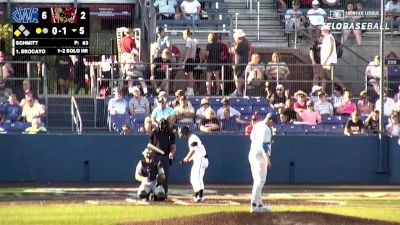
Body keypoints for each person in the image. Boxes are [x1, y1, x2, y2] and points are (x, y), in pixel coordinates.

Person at [248, 114, 274, 213]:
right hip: (260, 156)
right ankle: (254, 205)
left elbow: (251, 137)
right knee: (260, 181)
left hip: (252, 154)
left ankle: (259, 204)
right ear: (270, 120)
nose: (273, 124)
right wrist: (267, 159)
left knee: (257, 181)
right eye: (273, 122)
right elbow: (264, 145)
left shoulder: (257, 125)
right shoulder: (266, 129)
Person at [178, 126, 209, 203]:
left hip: (201, 159)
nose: (182, 137)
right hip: (200, 159)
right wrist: (187, 160)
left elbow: (193, 150)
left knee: (197, 178)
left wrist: (185, 158)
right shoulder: (192, 138)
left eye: (182, 134)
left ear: (185, 133)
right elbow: (195, 153)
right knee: (194, 178)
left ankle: (199, 196)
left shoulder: (192, 137)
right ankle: (197, 195)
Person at [149, 118, 177, 196]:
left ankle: (164, 191)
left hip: (165, 157)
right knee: (153, 174)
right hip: (155, 156)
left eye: (165, 125)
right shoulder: (154, 132)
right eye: (162, 125)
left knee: (164, 175)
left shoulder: (170, 133)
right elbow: (150, 145)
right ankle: (152, 191)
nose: (163, 127)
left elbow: (173, 146)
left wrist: (172, 153)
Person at [320, 25, 345, 92]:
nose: (321, 31)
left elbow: (330, 47)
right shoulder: (327, 38)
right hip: (325, 62)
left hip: (328, 61)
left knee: (332, 76)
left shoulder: (329, 37)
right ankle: (322, 91)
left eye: (323, 30)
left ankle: (343, 87)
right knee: (323, 77)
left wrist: (326, 59)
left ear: (326, 30)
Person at [230, 29, 251, 97]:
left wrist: (232, 48)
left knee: (238, 77)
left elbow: (234, 51)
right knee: (239, 77)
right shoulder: (245, 42)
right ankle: (238, 90)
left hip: (240, 62)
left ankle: (238, 91)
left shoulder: (241, 43)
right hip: (243, 62)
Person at [182, 29, 196, 96]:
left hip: (189, 60)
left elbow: (188, 52)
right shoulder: (193, 41)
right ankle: (190, 90)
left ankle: (190, 90)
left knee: (189, 76)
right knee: (190, 76)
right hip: (192, 60)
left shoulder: (189, 41)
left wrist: (185, 61)